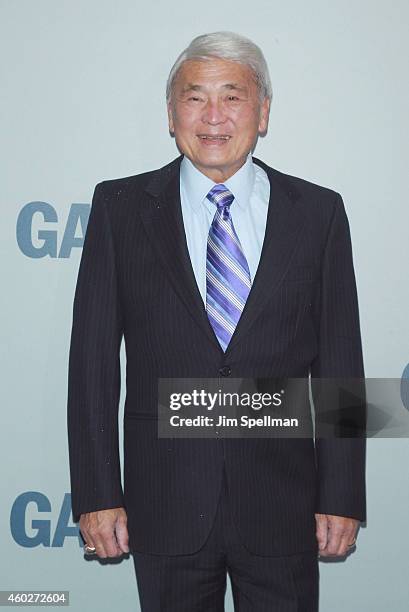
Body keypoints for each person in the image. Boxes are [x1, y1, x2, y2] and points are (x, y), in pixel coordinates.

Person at [67, 31, 366, 612]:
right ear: (171, 112)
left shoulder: (318, 213)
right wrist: (97, 492)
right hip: (165, 503)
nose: (213, 117)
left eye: (232, 96)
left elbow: (340, 367)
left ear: (263, 112)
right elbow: (92, 367)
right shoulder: (121, 209)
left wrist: (343, 493)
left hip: (284, 505)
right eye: (194, 96)